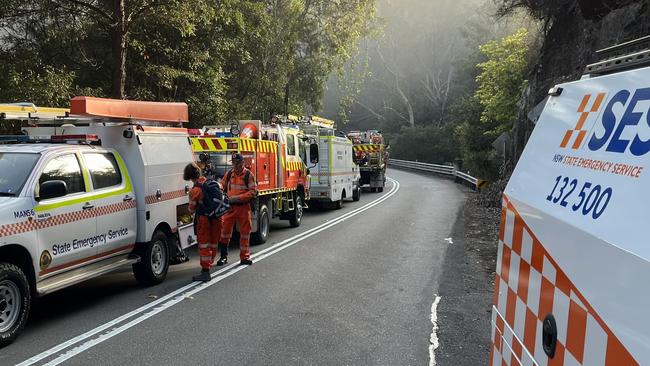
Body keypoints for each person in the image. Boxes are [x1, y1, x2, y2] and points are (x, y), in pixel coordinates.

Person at [184, 162, 223, 282]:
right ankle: (209, 264)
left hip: (204, 220)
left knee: (204, 245)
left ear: (190, 177)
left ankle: (205, 272)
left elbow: (191, 209)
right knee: (213, 243)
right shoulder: (211, 183)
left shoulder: (194, 190)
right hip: (216, 218)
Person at [217, 153, 257, 266]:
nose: (235, 165)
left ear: (242, 163)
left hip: (243, 207)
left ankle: (244, 257)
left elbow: (253, 192)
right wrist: (217, 188)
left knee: (245, 233)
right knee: (225, 232)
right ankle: (223, 257)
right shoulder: (229, 173)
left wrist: (237, 198)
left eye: (238, 163)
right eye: (234, 163)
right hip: (230, 208)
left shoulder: (249, 175)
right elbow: (222, 186)